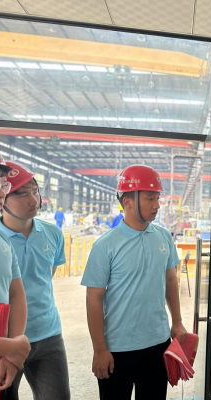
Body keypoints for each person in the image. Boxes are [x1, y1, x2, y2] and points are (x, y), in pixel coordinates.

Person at [81, 164, 186, 400]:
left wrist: (177, 322)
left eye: (157, 198)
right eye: (150, 198)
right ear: (127, 201)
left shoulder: (163, 237)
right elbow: (94, 299)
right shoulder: (105, 246)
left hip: (158, 343)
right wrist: (100, 349)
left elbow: (170, 279)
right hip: (117, 348)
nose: (157, 205)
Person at [0, 161, 70, 400]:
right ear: (3, 198)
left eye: (35, 192)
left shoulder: (53, 233)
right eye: (22, 194)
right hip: (4, 340)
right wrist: (8, 344)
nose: (33, 200)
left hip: (48, 335)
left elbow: (46, 277)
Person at [0, 144, 30, 393]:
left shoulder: (1, 240)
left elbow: (16, 293)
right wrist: (12, 347)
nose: (0, 194)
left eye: (3, 185)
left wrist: (12, 351)